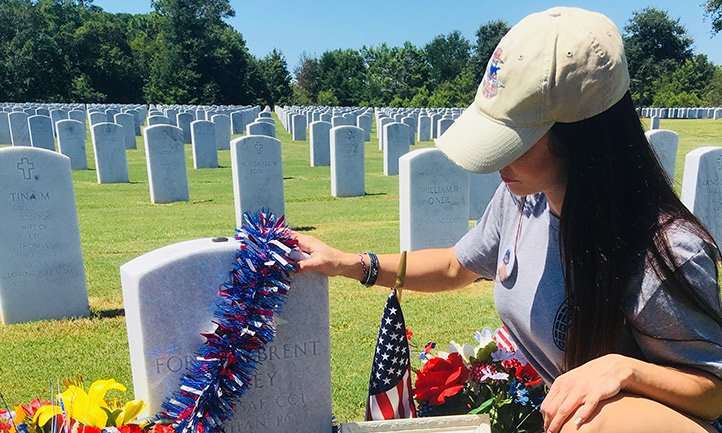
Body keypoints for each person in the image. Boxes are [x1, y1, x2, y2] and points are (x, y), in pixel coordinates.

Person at [294, 7, 722, 433]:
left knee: (592, 419)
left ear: (582, 137)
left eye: (516, 138)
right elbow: (454, 266)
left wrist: (625, 370)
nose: (498, 160)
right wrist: (350, 264)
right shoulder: (523, 200)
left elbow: (714, 389)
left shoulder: (665, 250)